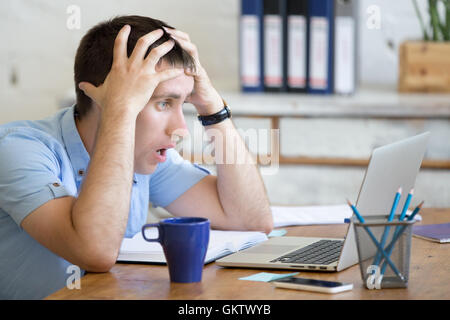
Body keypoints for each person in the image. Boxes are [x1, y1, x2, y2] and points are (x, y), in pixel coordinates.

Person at [0, 15, 273, 299]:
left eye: (183, 103)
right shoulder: (18, 149)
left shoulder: (143, 159)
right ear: (104, 97)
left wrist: (212, 107)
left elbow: (250, 219)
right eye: (163, 103)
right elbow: (95, 251)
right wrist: (119, 111)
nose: (181, 129)